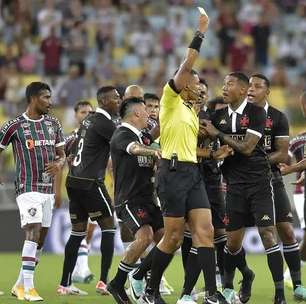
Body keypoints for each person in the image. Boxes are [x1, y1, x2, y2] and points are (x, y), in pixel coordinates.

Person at [141, 10, 229, 304]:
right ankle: (150, 288)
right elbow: (187, 62)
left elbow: (190, 148)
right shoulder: (170, 101)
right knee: (174, 237)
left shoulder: (192, 114)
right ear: (183, 84)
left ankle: (213, 294)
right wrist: (201, 32)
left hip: (192, 173)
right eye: (192, 81)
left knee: (205, 231)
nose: (197, 87)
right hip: (172, 173)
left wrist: (214, 151)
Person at [202, 72, 287, 304]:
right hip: (233, 186)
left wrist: (218, 134)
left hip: (259, 184)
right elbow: (201, 132)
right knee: (232, 243)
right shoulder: (217, 115)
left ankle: (279, 294)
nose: (224, 87)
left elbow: (248, 147)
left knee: (269, 235)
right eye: (223, 83)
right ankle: (229, 288)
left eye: (229, 84)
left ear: (242, 90)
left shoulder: (257, 113)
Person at [0, 82, 66, 301]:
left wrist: (59, 164)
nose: (50, 101)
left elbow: (62, 153)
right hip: (27, 187)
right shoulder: (14, 125)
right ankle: (29, 288)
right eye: (46, 97)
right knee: (34, 229)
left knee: (40, 239)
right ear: (33, 99)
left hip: (47, 188)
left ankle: (19, 284)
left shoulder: (53, 123)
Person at [57, 86, 120, 296]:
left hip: (73, 180)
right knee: (109, 227)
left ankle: (64, 284)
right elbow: (122, 143)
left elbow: (73, 145)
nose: (119, 101)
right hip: (91, 181)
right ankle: (104, 281)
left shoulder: (87, 120)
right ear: (103, 101)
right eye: (115, 98)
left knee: (77, 233)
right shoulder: (104, 122)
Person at [248, 74, 306, 300]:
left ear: (267, 90)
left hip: (273, 180)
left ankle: (295, 282)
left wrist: (290, 169)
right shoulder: (238, 116)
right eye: (250, 86)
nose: (252, 90)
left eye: (257, 86)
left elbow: (283, 157)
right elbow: (288, 158)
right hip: (244, 183)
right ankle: (230, 284)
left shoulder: (277, 117)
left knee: (287, 231)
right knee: (232, 238)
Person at [107, 97, 164, 304]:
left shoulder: (142, 136)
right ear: (136, 113)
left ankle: (142, 278)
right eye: (145, 109)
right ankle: (119, 282)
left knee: (170, 239)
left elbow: (152, 135)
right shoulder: (122, 134)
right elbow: (134, 149)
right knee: (145, 237)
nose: (149, 113)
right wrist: (155, 152)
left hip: (149, 198)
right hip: (129, 200)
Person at [178, 79, 228, 304]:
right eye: (197, 90)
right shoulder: (181, 115)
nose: (200, 94)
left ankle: (221, 285)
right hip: (187, 180)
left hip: (211, 181)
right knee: (183, 237)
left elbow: (219, 142)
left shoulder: (212, 118)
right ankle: (192, 290)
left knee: (215, 235)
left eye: (203, 92)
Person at [58, 100, 97, 285]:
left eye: (90, 112)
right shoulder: (69, 138)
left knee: (88, 231)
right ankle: (81, 268)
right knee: (79, 231)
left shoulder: (96, 136)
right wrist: (56, 191)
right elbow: (59, 163)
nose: (86, 115)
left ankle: (77, 270)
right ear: (75, 115)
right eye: (83, 112)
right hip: (75, 191)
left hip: (93, 188)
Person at [280, 91, 306, 286]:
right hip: (302, 192)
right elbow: (284, 161)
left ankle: (293, 270)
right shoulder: (298, 140)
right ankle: (292, 272)